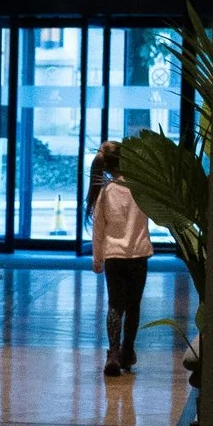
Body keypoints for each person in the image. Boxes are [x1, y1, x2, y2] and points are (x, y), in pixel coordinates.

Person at [92, 138, 152, 377]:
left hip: (114, 256)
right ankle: (128, 350)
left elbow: (99, 228)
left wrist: (98, 259)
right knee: (134, 305)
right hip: (139, 253)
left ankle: (113, 353)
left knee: (115, 305)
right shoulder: (141, 189)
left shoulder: (106, 192)